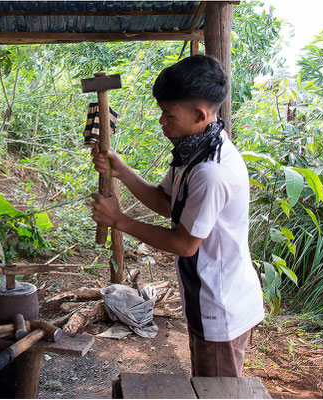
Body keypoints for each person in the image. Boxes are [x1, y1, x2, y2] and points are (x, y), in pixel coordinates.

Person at [91, 55, 264, 377]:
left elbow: (185, 244)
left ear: (200, 115)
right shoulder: (193, 150)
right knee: (205, 382)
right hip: (206, 295)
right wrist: (123, 172)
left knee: (216, 391)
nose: (161, 121)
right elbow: (169, 203)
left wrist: (120, 221)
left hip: (221, 305)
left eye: (168, 114)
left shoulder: (212, 171)